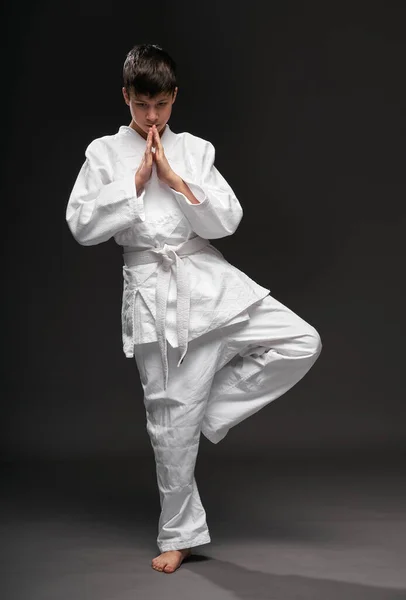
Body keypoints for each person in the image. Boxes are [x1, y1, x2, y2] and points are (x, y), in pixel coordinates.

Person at [66, 43, 322, 574]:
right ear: (126, 98)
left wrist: (175, 179)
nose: (152, 117)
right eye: (141, 106)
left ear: (174, 98)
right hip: (156, 299)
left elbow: (225, 222)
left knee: (301, 340)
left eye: (161, 104)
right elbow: (83, 227)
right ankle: (179, 536)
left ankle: (208, 412)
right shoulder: (102, 153)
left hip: (207, 279)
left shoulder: (196, 149)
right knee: (170, 435)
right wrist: (134, 182)